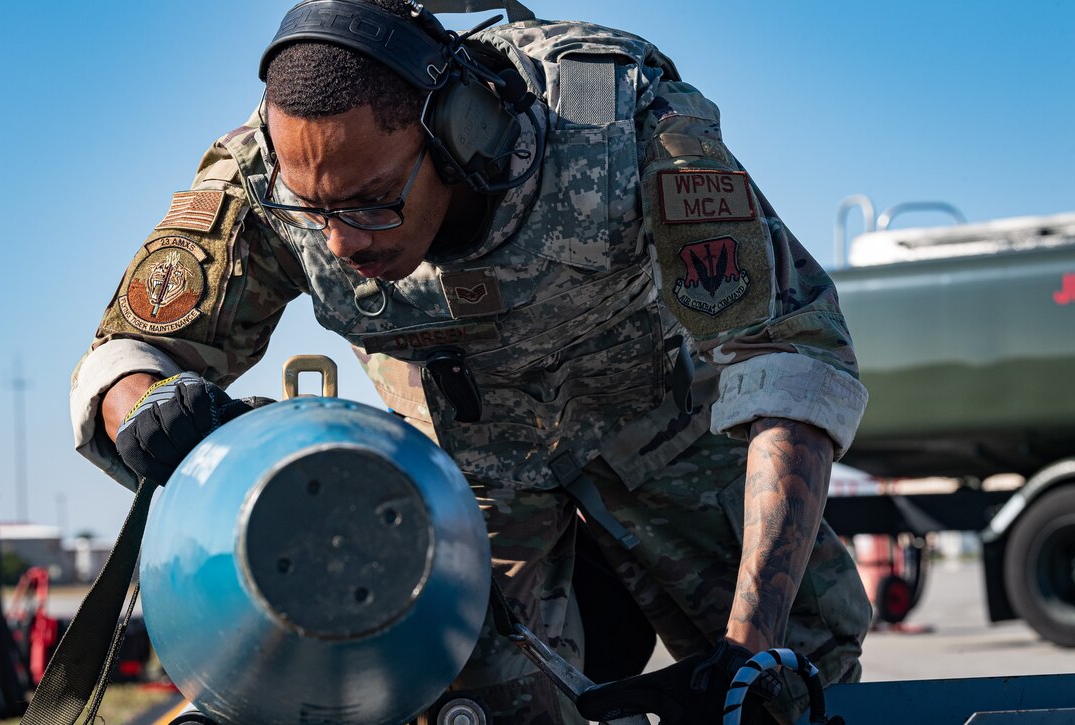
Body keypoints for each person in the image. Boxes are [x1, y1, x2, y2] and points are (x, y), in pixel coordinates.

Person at [69, 0, 871, 722]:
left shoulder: (623, 122)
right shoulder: (269, 175)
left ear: (457, 133)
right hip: (473, 485)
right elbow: (128, 352)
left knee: (795, 677)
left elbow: (790, 350)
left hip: (663, 441)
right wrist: (144, 402)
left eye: (373, 200)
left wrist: (747, 645)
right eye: (318, 211)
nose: (343, 243)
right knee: (490, 714)